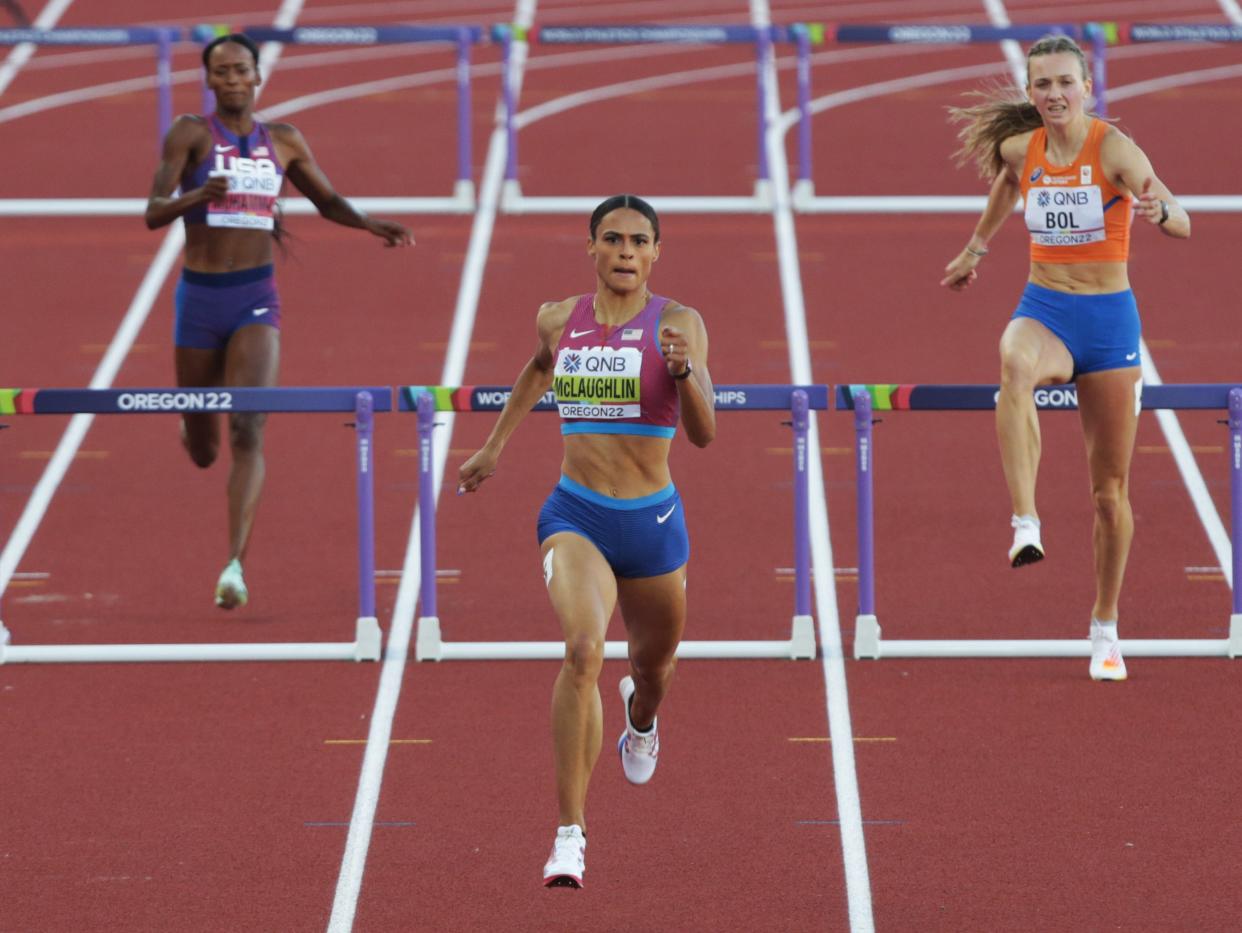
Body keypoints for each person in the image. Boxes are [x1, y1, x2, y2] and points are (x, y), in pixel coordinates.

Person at [458, 194, 715, 887]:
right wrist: (493, 448)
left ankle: (643, 715)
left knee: (653, 670)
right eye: (613, 239)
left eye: (639, 241)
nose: (626, 251)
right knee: (581, 650)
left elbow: (705, 432)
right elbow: (538, 369)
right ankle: (569, 831)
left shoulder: (679, 324)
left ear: (656, 253)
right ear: (592, 249)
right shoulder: (557, 317)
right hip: (575, 516)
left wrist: (684, 372)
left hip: (653, 524)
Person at [940, 35, 1190, 681]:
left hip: (1108, 328)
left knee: (1109, 494)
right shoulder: (1022, 148)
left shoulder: (1112, 147)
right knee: (1013, 364)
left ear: (1088, 87)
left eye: (1064, 83)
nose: (1053, 94)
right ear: (1029, 93)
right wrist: (975, 250)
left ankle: (1105, 626)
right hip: (1045, 311)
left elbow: (1178, 214)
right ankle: (1025, 519)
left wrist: (1161, 210)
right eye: (1042, 84)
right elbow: (1004, 184)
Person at [144, 33, 413, 610]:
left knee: (247, 428)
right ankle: (192, 428)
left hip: (255, 300)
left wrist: (369, 224)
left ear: (258, 76)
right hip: (199, 298)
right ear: (210, 81)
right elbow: (152, 212)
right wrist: (198, 195)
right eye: (223, 72)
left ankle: (234, 564)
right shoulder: (190, 134)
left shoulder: (284, 141)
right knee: (202, 449)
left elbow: (328, 200)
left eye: (243, 69)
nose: (234, 79)